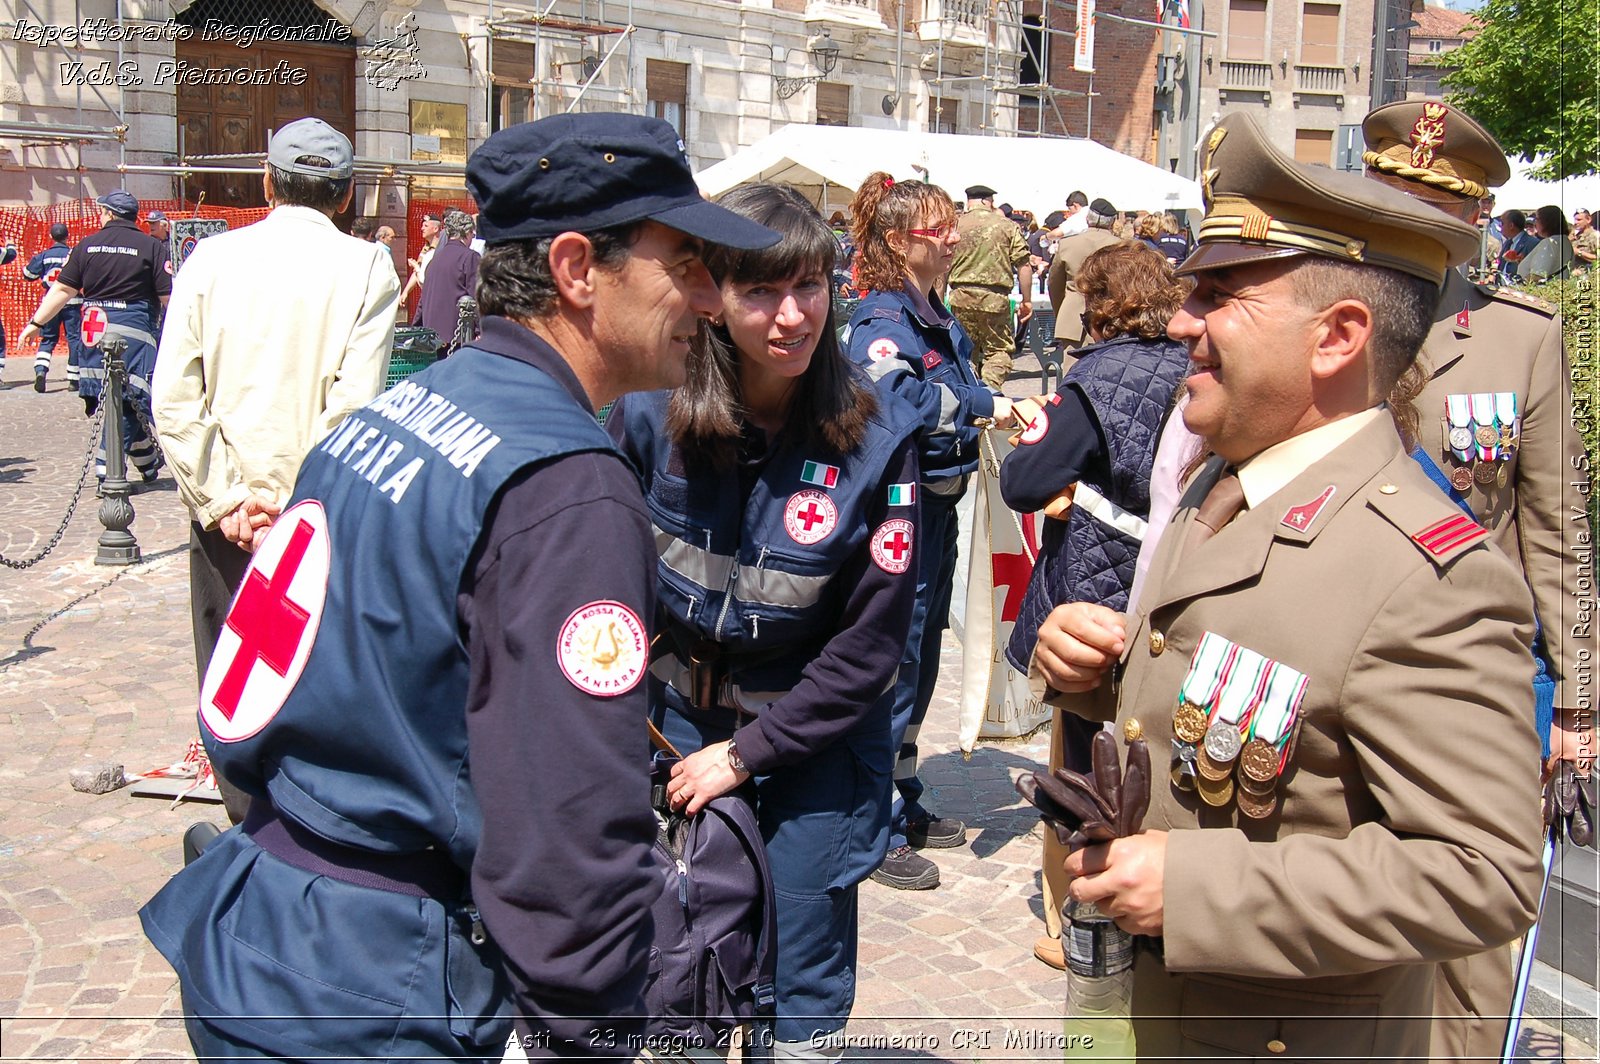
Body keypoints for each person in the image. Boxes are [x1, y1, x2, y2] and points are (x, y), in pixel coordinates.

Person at [138, 112, 778, 1062]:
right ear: (575, 270)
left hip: (263, 919)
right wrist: (590, 1026)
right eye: (683, 263)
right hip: (388, 981)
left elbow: (251, 683)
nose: (710, 301)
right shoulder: (567, 484)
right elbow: (573, 817)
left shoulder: (393, 412)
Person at [1029, 112, 1545, 1060]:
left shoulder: (1427, 577)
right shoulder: (1219, 485)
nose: (1182, 321)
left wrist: (1195, 890)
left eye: (1221, 294)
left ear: (1338, 336)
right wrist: (1092, 672)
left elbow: (1483, 871)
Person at [611, 182, 919, 1059]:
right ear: (711, 297)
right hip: (671, 733)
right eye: (760, 293)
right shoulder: (649, 410)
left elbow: (870, 646)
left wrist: (748, 754)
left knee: (801, 999)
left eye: (810, 287)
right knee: (681, 971)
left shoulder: (876, 436)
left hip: (812, 749)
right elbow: (606, 581)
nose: (792, 316)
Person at [1363, 98, 1596, 1061]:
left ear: (1471, 219)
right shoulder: (1305, 307)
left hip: (1476, 678)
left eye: (1440, 202)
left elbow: (1556, 526)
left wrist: (1578, 708)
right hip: (1332, 660)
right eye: (1397, 195)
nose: (1416, 216)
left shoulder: (1518, 337)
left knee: (1476, 941)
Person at [152, 117, 401, 826]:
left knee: (227, 667)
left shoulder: (209, 259)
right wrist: (294, 511)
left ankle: (241, 818)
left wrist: (226, 499)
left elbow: (174, 395)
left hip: (226, 517)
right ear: (346, 195)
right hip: (313, 518)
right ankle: (297, 824)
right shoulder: (367, 266)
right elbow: (354, 405)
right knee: (307, 667)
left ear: (268, 182)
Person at [998, 240, 1190, 971]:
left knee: (1085, 770)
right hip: (1166, 596)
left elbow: (1025, 479)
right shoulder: (1191, 366)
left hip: (1093, 598)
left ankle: (1086, 923)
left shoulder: (1097, 375)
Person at [844, 173, 1017, 891]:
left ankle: (905, 798)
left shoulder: (934, 314)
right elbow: (906, 402)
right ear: (896, 242)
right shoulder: (882, 322)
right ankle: (871, 824)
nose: (953, 239)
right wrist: (985, 402)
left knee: (921, 663)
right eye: (936, 229)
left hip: (938, 508)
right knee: (893, 661)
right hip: (899, 513)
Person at [21, 190, 170, 485]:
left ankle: (147, 461)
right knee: (131, 400)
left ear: (108, 214)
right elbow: (168, 298)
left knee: (123, 402)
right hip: (135, 336)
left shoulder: (86, 246)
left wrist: (36, 323)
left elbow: (63, 291)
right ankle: (107, 469)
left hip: (95, 335)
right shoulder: (151, 247)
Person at [947, 183, 1032, 389]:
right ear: (987, 201)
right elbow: (1024, 265)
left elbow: (942, 267)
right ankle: (990, 391)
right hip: (995, 298)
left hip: (961, 296)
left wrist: (939, 300)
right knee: (999, 351)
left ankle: (970, 394)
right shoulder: (1007, 225)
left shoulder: (955, 225)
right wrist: (1027, 301)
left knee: (965, 351)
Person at [1048, 197, 1122, 367]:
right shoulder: (1122, 246)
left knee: (1070, 373)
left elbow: (1054, 284)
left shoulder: (1067, 244)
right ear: (1112, 222)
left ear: (1088, 218)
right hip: (1109, 315)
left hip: (1073, 315)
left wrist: (1063, 309)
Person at [22, 223, 82, 394]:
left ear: (51, 237)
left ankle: (41, 370)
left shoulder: (44, 256)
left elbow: (28, 275)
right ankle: (73, 379)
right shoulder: (73, 255)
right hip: (73, 304)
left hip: (50, 304)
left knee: (48, 339)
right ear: (67, 237)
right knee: (74, 340)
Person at [416, 207, 481, 345]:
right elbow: (476, 296)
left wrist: (415, 328)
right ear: (468, 232)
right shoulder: (470, 257)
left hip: (432, 337)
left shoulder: (434, 260)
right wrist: (481, 330)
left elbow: (422, 301)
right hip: (457, 338)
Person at [1518, 203, 1575, 282]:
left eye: (1537, 219)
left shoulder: (1549, 243)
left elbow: (1537, 276)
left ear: (1546, 222)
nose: (1535, 223)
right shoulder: (1565, 241)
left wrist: (1518, 282)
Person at [400, 210, 441, 312]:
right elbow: (418, 270)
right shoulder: (426, 249)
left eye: (426, 226)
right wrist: (406, 292)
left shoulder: (441, 248)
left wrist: (416, 267)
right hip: (426, 296)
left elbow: (419, 270)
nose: (422, 229)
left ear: (435, 229)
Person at [1496, 208, 1537, 282]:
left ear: (1511, 226)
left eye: (1502, 223)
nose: (1500, 227)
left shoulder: (1532, 243)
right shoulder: (1507, 242)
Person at [1572, 207, 1598, 272]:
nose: (1575, 222)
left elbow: (1597, 259)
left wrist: (1579, 253)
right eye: (1575, 220)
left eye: (1579, 220)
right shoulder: (1575, 236)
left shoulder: (1595, 236)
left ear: (1588, 219)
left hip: (1586, 275)